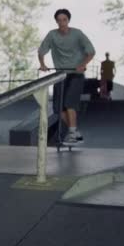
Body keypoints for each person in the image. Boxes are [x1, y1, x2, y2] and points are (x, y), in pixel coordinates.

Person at [38, 9, 95, 146]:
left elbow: (91, 52)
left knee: (70, 103)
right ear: (56, 21)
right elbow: (41, 51)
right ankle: (75, 131)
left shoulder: (77, 34)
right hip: (60, 75)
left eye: (64, 20)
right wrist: (43, 64)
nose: (62, 23)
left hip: (76, 74)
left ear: (68, 20)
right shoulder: (52, 35)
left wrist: (83, 64)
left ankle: (72, 135)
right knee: (58, 109)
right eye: (59, 20)